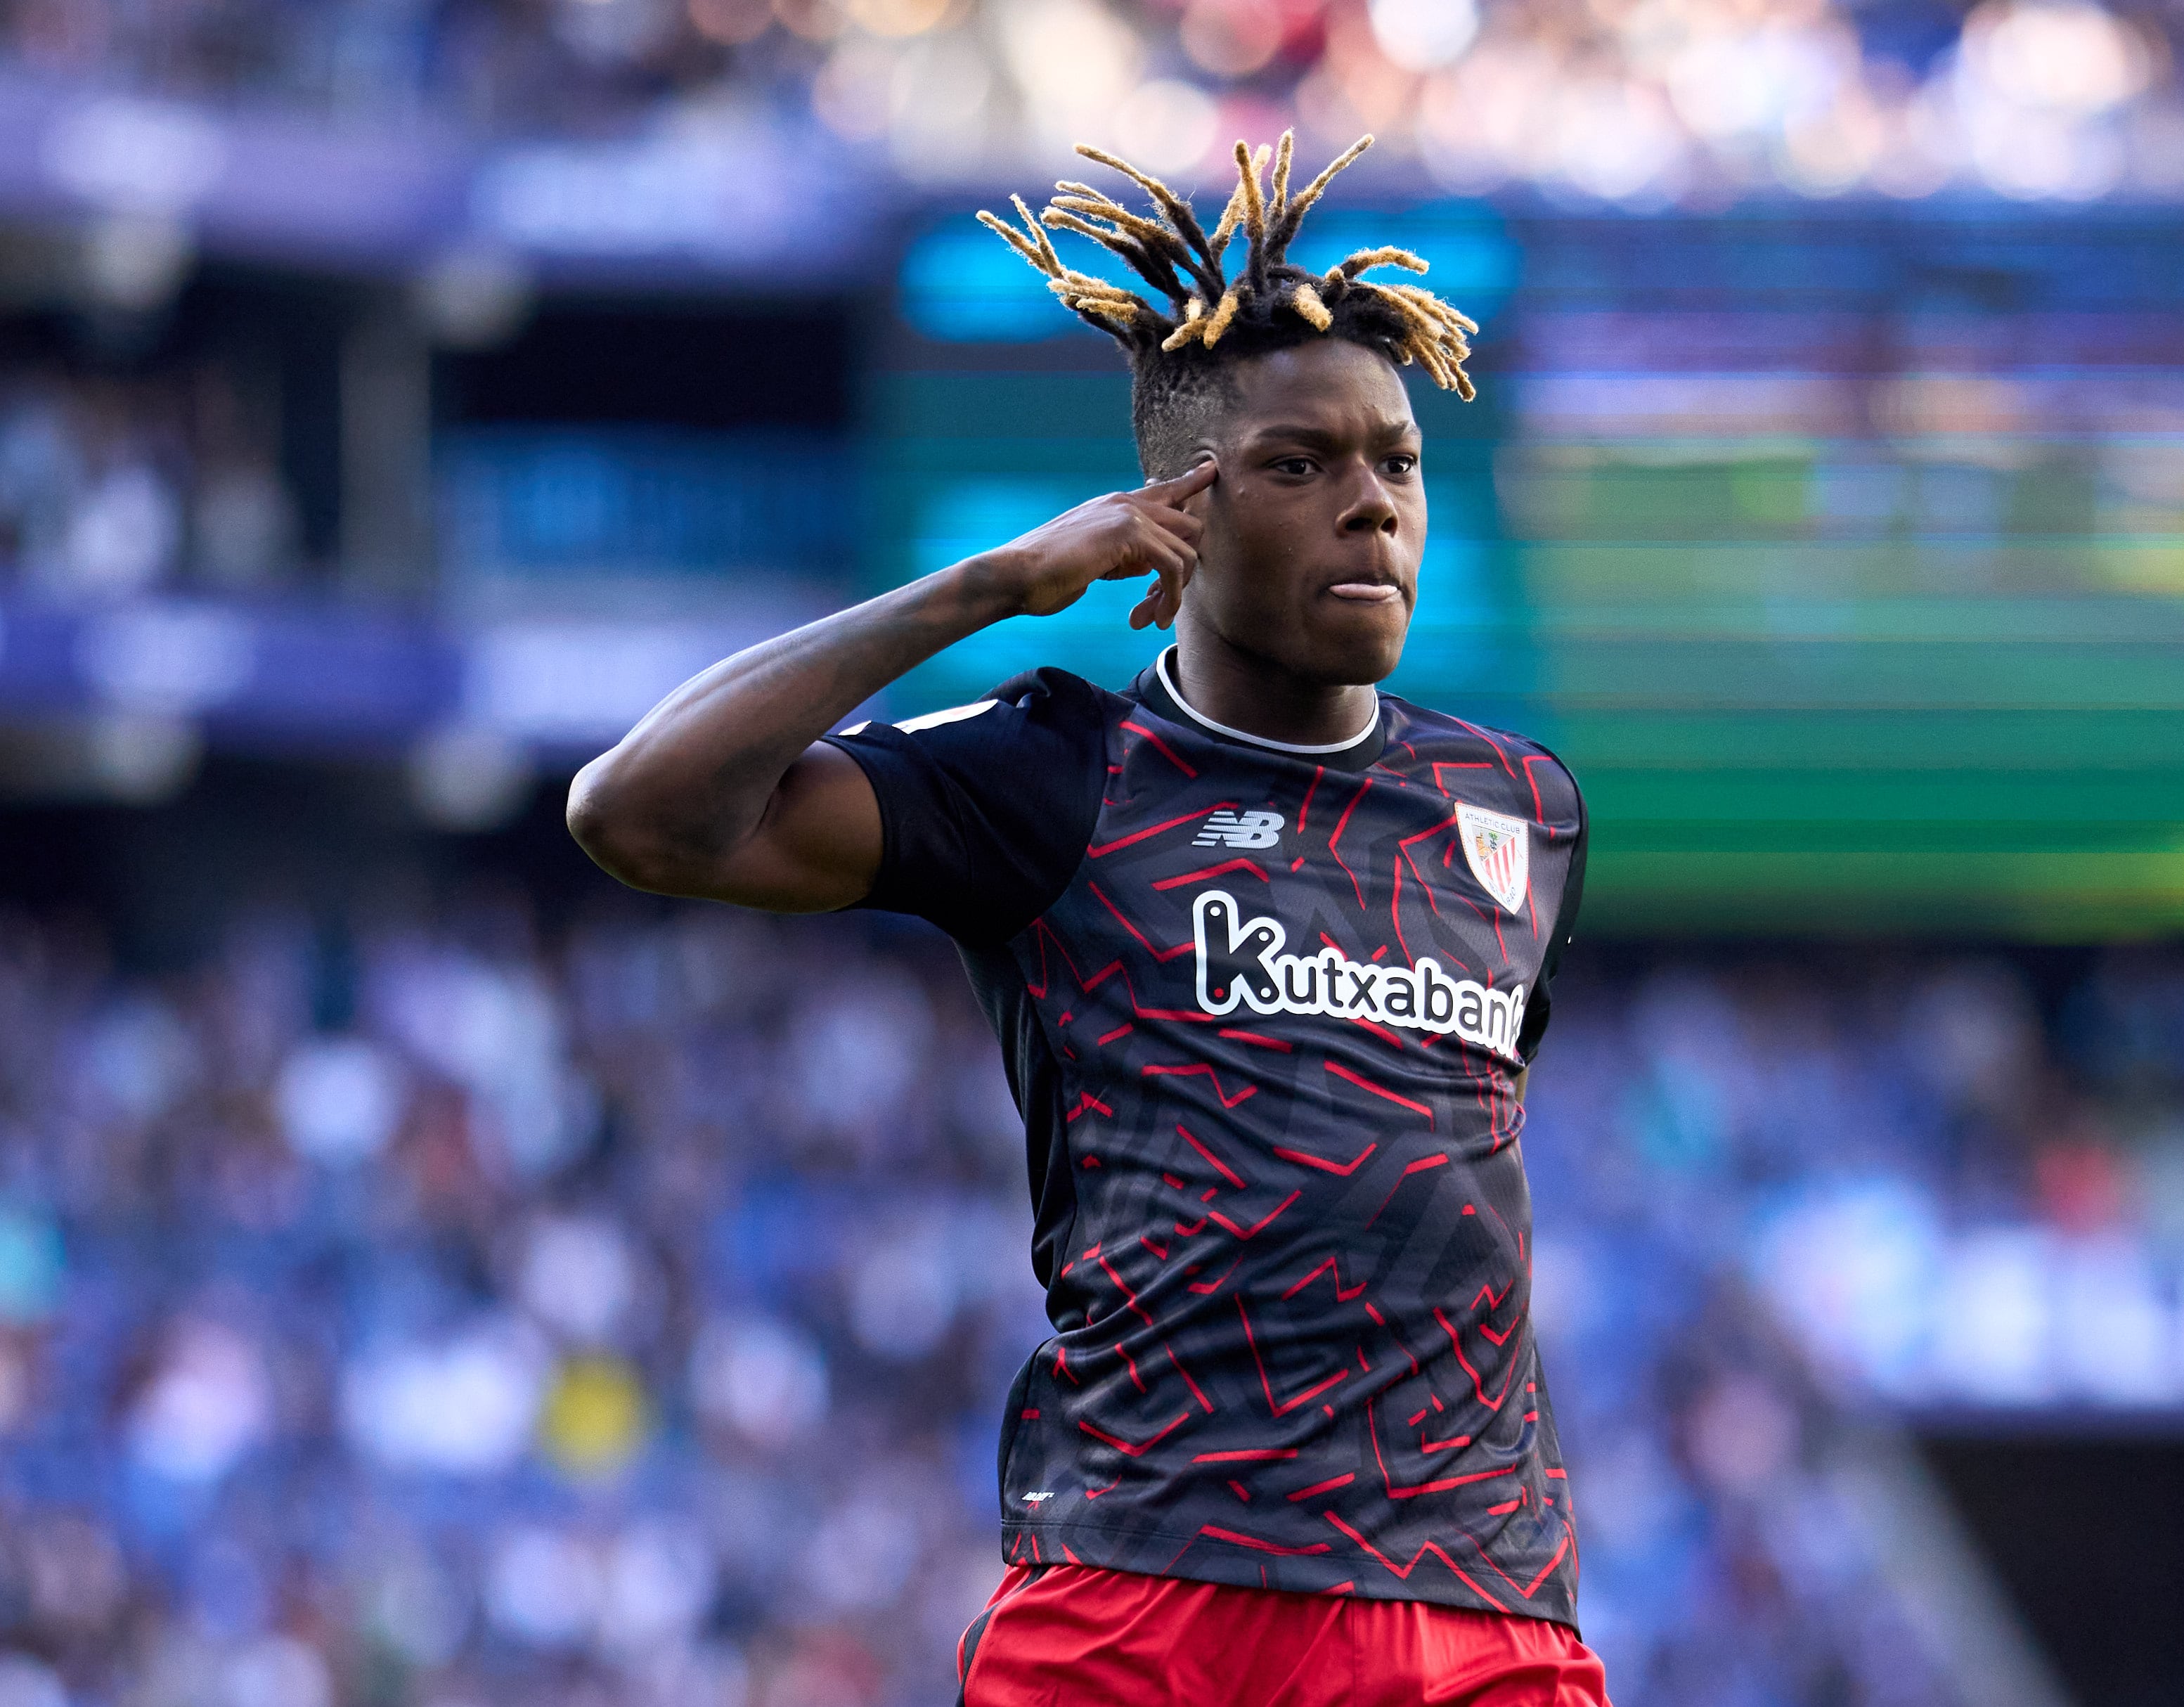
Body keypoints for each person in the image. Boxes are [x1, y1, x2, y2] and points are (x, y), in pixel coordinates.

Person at [568, 130, 1607, 1706]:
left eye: (1394, 462)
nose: (1369, 508)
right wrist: (982, 586)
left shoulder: (1523, 811)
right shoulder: (1059, 772)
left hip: (1464, 1604)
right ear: (1178, 507)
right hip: (1144, 1594)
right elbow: (637, 811)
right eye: (1298, 464)